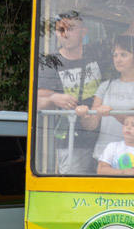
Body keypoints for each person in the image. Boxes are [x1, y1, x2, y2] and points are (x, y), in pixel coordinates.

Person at [36, 11, 106, 175]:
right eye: (60, 30)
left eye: (71, 29)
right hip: (72, 142)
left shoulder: (96, 53)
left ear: (83, 32)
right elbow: (37, 102)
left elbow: (129, 41)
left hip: (106, 138)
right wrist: (54, 98)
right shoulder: (49, 62)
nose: (65, 34)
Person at [81, 34, 134, 161]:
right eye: (115, 55)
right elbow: (91, 125)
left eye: (123, 55)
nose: (118, 59)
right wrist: (84, 115)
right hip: (104, 156)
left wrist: (113, 113)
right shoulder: (105, 86)